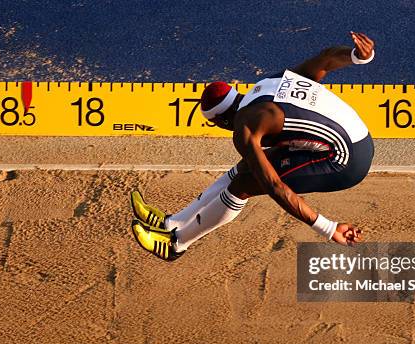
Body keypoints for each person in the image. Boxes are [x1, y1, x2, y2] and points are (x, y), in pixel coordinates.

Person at [131, 31, 376, 261]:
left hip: (348, 162)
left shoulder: (244, 127)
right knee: (248, 165)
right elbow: (325, 58)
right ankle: (172, 223)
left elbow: (275, 186)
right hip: (360, 137)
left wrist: (328, 228)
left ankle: (176, 244)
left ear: (221, 121)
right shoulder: (268, 83)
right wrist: (358, 56)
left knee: (244, 184)